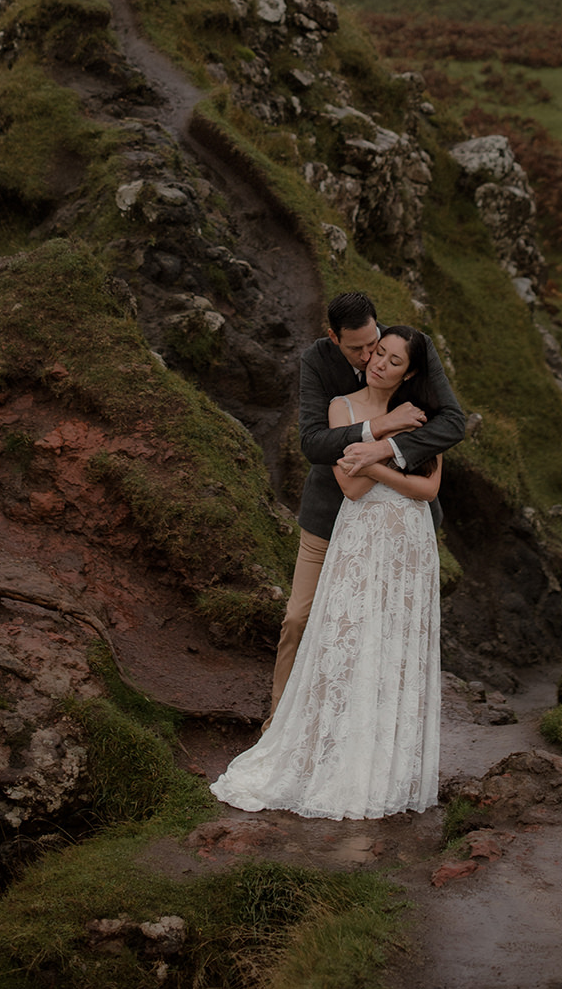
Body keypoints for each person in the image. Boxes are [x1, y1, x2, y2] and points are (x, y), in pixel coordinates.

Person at [209, 325, 442, 819]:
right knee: (344, 636)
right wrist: (385, 438)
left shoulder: (421, 414)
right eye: (378, 353)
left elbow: (428, 490)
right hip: (360, 536)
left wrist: (371, 457)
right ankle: (313, 741)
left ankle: (386, 760)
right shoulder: (343, 408)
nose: (379, 363)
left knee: (393, 644)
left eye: (394, 360)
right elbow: (350, 488)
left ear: (410, 372)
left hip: (410, 545)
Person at [268, 289, 465, 717]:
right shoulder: (317, 362)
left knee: (382, 631)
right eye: (356, 349)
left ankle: (364, 728)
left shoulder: (406, 348)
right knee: (300, 618)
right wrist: (378, 427)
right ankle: (278, 723)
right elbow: (313, 443)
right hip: (331, 512)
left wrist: (385, 450)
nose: (368, 357)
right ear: (333, 337)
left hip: (399, 524)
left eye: (372, 343)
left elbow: (451, 422)